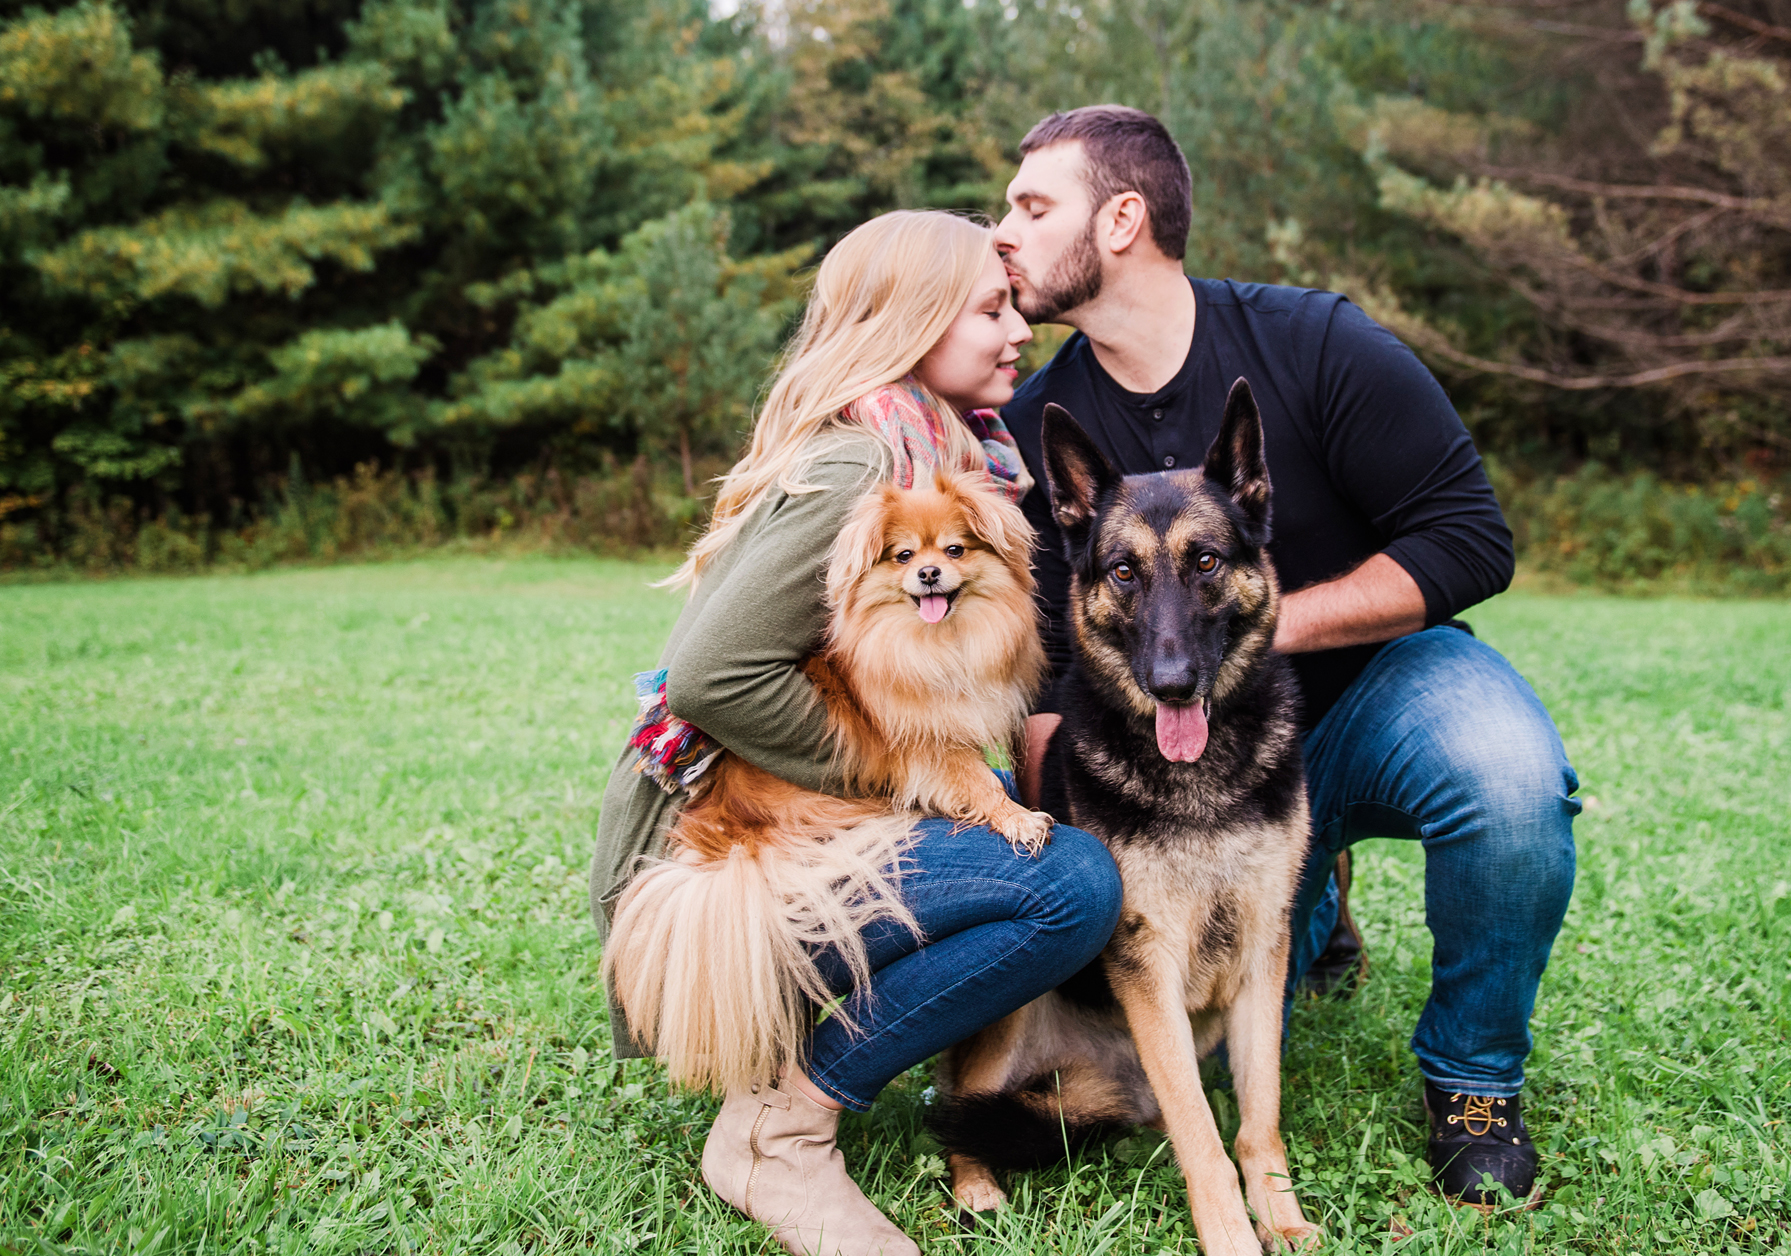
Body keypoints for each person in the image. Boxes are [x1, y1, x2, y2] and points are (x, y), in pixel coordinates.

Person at [998, 106, 1579, 1207]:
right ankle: (1313, 906)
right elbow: (1040, 664)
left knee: (1508, 783)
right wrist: (1071, 869)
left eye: (1031, 206)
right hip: (1158, 748)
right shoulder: (1040, 421)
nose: (1002, 232)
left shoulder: (1312, 343)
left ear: (1122, 219)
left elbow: (1467, 538)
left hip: (1370, 694)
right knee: (1249, 936)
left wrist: (1258, 635)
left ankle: (1472, 1083)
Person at [589, 210, 1124, 1256]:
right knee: (1067, 888)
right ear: (913, 323)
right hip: (719, 870)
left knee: (1051, 868)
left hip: (796, 839)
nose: (1018, 328)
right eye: (989, 308)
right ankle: (778, 1130)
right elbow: (709, 676)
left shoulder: (931, 451)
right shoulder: (858, 471)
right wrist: (916, 770)